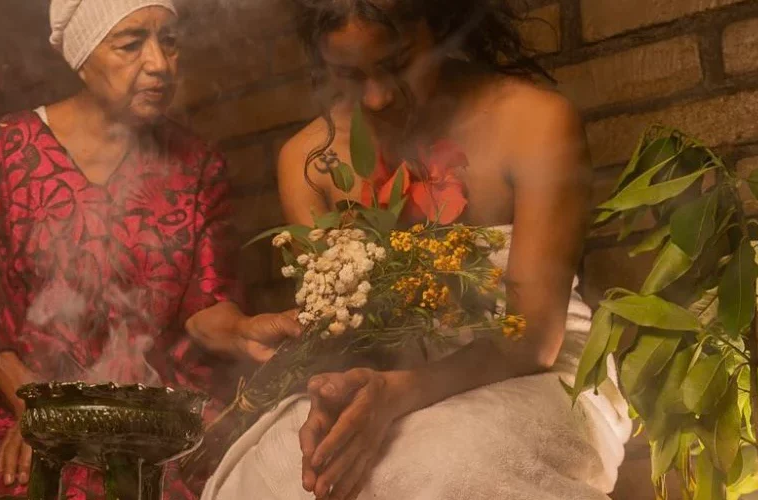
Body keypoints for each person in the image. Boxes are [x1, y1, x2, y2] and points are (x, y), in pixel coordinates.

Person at [200, 1, 633, 499]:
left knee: (440, 466)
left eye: (398, 63)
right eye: (348, 75)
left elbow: (534, 340)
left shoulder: (534, 122)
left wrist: (398, 395)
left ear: (443, 25)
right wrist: (334, 393)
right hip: (381, 373)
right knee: (276, 474)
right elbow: (345, 333)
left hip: (532, 369)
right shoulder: (310, 161)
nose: (379, 98)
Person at [0, 1, 299, 499]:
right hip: (26, 407)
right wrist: (40, 408)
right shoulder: (9, 149)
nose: (159, 63)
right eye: (131, 43)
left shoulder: (197, 165)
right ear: (83, 54)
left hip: (153, 417)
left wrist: (245, 331)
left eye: (170, 41)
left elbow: (205, 308)